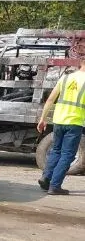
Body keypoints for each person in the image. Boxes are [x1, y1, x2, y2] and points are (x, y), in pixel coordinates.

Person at [37, 59, 85, 195]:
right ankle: (55, 186)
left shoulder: (65, 78)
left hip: (58, 120)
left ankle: (46, 177)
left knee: (56, 151)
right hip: (74, 122)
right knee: (67, 155)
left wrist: (42, 119)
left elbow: (51, 99)